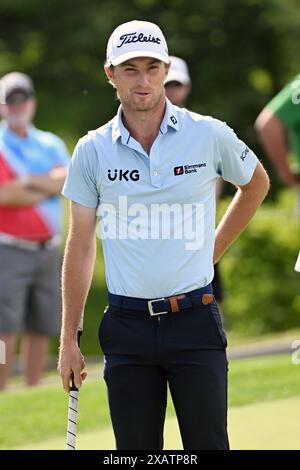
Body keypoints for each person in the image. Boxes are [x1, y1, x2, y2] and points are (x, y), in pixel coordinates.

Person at [58, 20, 270, 450]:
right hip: (126, 328)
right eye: (130, 69)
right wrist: (68, 339)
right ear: (110, 74)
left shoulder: (207, 133)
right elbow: (80, 244)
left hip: (196, 321)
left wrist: (211, 250)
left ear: (166, 69)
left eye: (152, 67)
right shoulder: (92, 150)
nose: (143, 80)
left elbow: (256, 184)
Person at [0, 72, 69, 390]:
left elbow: (67, 180)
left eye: (22, 98)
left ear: (33, 102)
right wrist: (47, 183)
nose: (17, 105)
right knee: (3, 328)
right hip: (8, 248)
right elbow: (6, 195)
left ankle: (32, 389)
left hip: (48, 248)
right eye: (10, 100)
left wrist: (27, 181)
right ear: (2, 105)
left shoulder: (51, 142)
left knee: (42, 324)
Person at [165, 56, 225, 306]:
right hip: (162, 230)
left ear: (187, 88)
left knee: (208, 297)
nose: (171, 91)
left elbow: (220, 174)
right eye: (167, 85)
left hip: (197, 229)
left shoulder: (203, 129)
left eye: (176, 85)